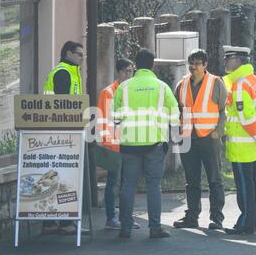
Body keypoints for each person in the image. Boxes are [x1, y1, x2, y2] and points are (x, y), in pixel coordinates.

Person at [113, 48, 180, 238]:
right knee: (153, 186)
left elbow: (115, 117)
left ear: (136, 65)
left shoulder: (123, 87)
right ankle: (155, 228)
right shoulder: (161, 87)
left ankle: (125, 228)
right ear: (152, 64)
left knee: (128, 186)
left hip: (129, 144)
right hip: (154, 144)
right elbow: (175, 116)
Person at [221, 45, 256, 235]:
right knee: (255, 185)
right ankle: (255, 223)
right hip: (253, 144)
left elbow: (246, 117)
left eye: (228, 58)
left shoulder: (240, 84)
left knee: (245, 187)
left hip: (242, 145)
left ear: (237, 61)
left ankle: (246, 224)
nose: (225, 62)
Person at [173, 49, 227, 231]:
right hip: (188, 137)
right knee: (191, 180)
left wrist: (218, 132)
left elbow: (222, 111)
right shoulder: (182, 84)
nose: (193, 67)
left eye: (197, 63)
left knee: (214, 178)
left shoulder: (216, 83)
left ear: (205, 65)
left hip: (209, 138)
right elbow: (176, 112)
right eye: (191, 63)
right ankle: (192, 217)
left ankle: (217, 218)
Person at [41, 41, 86, 235]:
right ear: (68, 53)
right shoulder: (63, 72)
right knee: (61, 178)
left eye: (83, 55)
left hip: (63, 132)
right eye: (78, 54)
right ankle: (61, 221)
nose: (81, 58)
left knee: (59, 178)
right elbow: (62, 105)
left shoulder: (69, 72)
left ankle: (54, 222)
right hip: (60, 133)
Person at [97, 58, 140, 230]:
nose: (129, 74)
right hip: (114, 145)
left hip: (130, 143)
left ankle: (125, 218)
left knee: (127, 183)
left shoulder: (132, 91)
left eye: (132, 71)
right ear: (119, 72)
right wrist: (107, 144)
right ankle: (111, 218)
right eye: (126, 71)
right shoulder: (108, 93)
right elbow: (104, 119)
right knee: (113, 183)